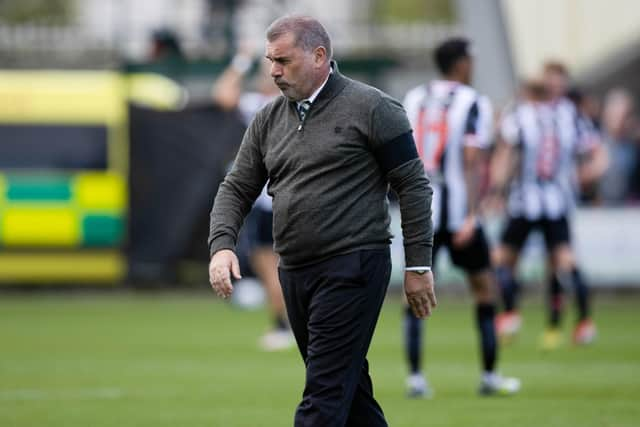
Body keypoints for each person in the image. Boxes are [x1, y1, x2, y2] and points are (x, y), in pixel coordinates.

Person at [208, 15, 437, 426]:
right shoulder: (267, 118)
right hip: (295, 269)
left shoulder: (374, 107)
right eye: (270, 60)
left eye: (283, 60)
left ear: (319, 56)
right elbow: (236, 187)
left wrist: (418, 265)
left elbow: (413, 186)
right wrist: (222, 245)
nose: (274, 70)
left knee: (323, 396)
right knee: (350, 396)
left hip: (353, 265)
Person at [402, 37, 520, 398]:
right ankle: (488, 376)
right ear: (461, 63)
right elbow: (471, 158)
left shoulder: (414, 97)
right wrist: (472, 214)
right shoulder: (473, 101)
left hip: (420, 213)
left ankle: (416, 379)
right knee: (485, 290)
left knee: (415, 293)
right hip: (457, 214)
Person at [492, 62, 607, 350]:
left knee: (502, 260)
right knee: (563, 262)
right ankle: (583, 323)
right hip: (557, 201)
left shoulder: (521, 112)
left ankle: (510, 314)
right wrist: (587, 175)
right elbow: (598, 153)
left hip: (524, 201)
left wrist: (495, 190)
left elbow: (504, 155)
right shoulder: (571, 115)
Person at [212, 51, 294, 351]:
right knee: (284, 269)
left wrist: (240, 61)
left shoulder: (264, 105)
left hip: (270, 201)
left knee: (271, 267)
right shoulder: (291, 105)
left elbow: (222, 94)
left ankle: (284, 327)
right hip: (289, 199)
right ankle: (291, 325)